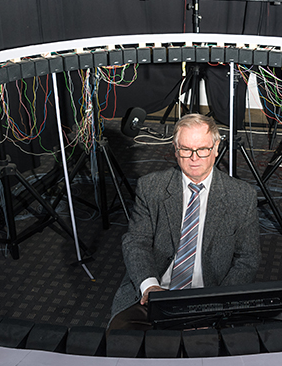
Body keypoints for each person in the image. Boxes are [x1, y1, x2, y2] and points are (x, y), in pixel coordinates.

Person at [109, 113, 260, 330]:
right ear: (175, 148)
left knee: (211, 354)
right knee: (123, 343)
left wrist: (218, 300)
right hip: (154, 296)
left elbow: (248, 258)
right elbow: (136, 241)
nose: (194, 158)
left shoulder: (241, 195)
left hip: (211, 298)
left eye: (203, 149)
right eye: (186, 149)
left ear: (216, 148)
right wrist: (150, 286)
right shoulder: (151, 187)